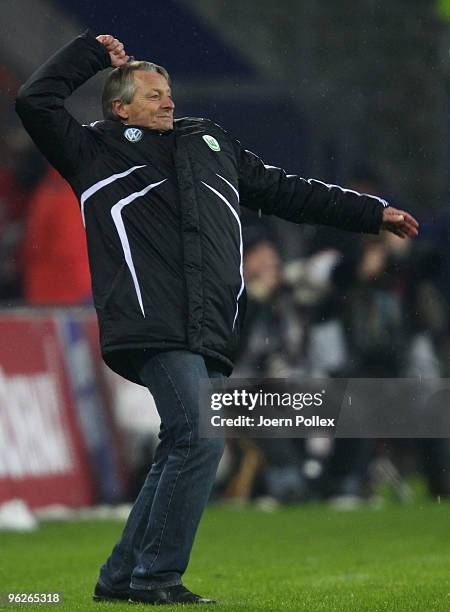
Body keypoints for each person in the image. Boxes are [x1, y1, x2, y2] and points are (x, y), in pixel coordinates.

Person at [15, 31, 419, 606]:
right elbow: (34, 100)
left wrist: (369, 213)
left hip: (210, 325)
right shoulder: (92, 151)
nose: (167, 101)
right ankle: (155, 580)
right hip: (149, 321)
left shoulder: (213, 144)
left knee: (183, 440)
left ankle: (121, 576)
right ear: (119, 106)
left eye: (169, 92)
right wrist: (90, 55)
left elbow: (285, 191)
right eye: (152, 94)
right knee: (199, 437)